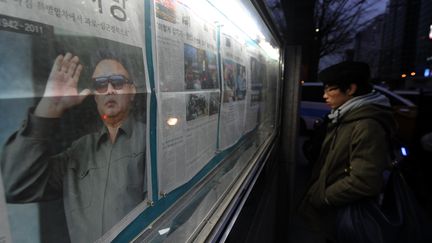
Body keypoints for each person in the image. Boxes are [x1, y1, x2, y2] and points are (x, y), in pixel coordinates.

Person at [0, 52, 147, 242]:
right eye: (100, 84)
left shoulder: (149, 138)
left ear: (133, 91)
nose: (109, 89)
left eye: (117, 82)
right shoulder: (79, 151)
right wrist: (49, 107)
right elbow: (15, 185)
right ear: (95, 96)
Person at [298, 61, 397, 242]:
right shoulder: (345, 115)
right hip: (335, 215)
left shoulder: (366, 124)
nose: (325, 96)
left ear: (350, 89)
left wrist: (324, 197)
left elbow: (364, 181)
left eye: (330, 90)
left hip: (346, 215)